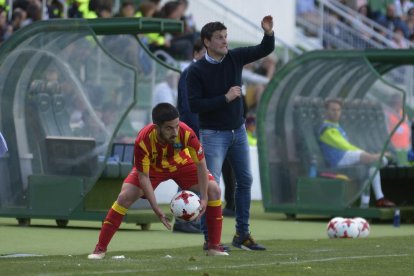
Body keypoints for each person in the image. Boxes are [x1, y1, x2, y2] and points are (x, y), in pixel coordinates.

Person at [88, 103, 228, 259]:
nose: (175, 132)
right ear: (156, 128)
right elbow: (143, 177)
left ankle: (214, 247)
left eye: (176, 126)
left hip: (182, 163)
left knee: (214, 190)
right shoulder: (143, 140)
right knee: (124, 197)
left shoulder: (187, 133)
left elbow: (201, 163)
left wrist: (204, 197)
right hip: (153, 169)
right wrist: (156, 208)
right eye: (169, 128)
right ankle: (100, 249)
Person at [187, 15, 275, 251]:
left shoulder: (235, 57)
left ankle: (242, 235)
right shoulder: (195, 71)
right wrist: (225, 98)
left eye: (226, 37)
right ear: (207, 42)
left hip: (238, 131)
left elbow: (265, 48)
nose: (225, 41)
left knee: (244, 181)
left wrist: (268, 32)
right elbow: (194, 105)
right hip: (213, 134)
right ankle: (211, 240)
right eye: (219, 38)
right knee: (211, 187)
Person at [318, 99, 396, 208]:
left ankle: (370, 202)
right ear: (326, 111)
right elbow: (344, 146)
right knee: (373, 160)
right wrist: (373, 155)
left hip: (346, 156)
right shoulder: (326, 129)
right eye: (333, 110)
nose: (336, 112)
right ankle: (379, 157)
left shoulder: (337, 126)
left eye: (338, 110)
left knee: (372, 167)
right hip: (338, 160)